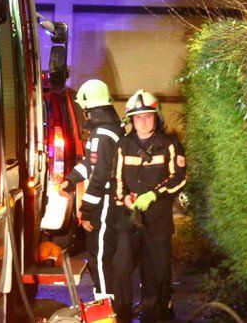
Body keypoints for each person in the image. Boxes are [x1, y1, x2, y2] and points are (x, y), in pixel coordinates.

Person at [111, 90, 187, 323]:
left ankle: (152, 317)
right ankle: (121, 316)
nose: (143, 121)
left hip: (157, 222)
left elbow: (179, 178)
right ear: (131, 120)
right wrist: (125, 198)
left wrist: (153, 195)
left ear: (156, 117)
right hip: (128, 220)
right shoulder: (123, 145)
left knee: (155, 275)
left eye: (147, 116)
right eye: (138, 117)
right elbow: (116, 179)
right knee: (120, 270)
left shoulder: (170, 145)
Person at [58, 78, 124, 300]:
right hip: (109, 198)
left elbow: (99, 175)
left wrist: (86, 210)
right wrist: (71, 180)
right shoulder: (109, 130)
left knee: (101, 254)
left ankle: (105, 303)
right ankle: (105, 300)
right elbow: (90, 163)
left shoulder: (101, 135)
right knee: (101, 252)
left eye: (84, 111)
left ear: (89, 109)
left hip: (105, 200)